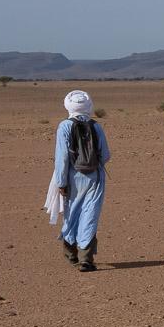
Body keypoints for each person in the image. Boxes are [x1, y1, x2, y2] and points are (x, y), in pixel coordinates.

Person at [53, 90, 110, 272]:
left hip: (72, 177)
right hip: (95, 177)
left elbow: (61, 157)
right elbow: (106, 155)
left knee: (71, 213)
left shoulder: (64, 126)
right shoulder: (96, 126)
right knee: (90, 214)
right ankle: (87, 258)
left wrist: (61, 182)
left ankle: (71, 255)